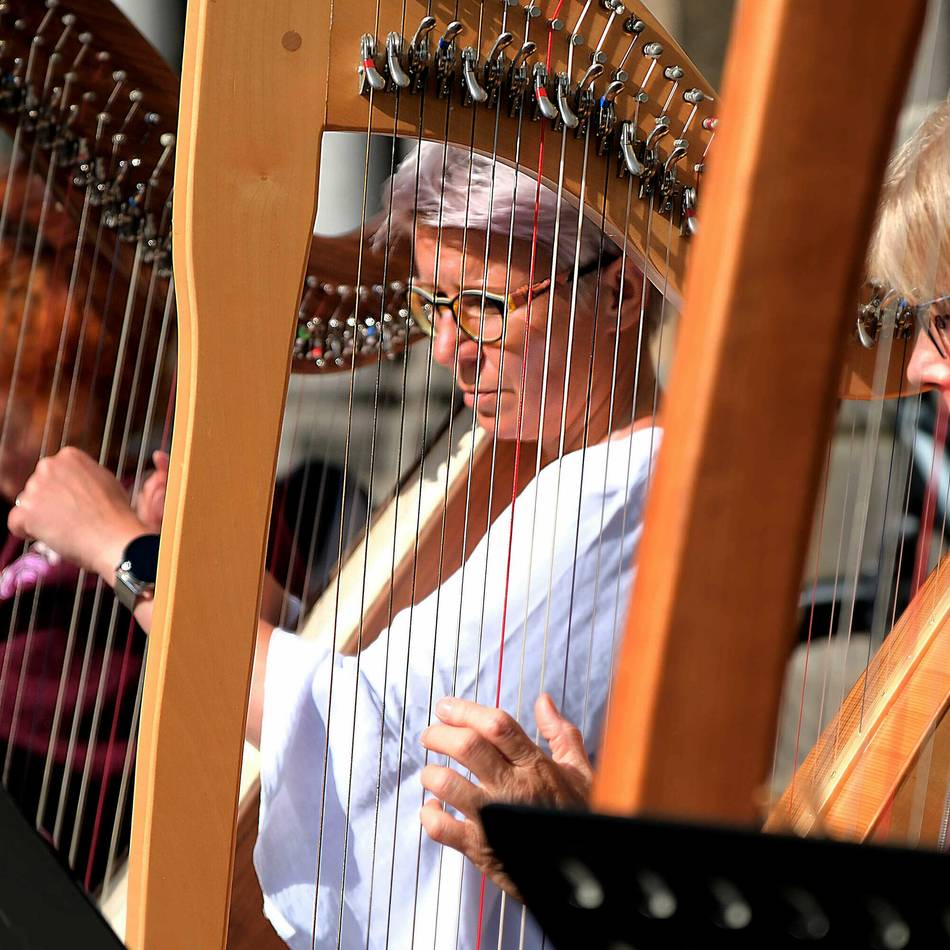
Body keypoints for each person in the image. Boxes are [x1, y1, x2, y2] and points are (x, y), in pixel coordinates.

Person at [9, 142, 661, 947]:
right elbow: (407, 690)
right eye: (434, 308)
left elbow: (371, 735)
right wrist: (261, 608)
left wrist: (119, 546)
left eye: (486, 307)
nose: (451, 350)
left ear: (623, 290)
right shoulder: (582, 473)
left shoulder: (610, 490)